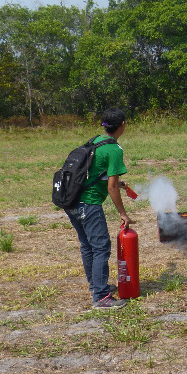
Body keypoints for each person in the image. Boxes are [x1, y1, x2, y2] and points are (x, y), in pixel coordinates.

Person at [67, 108, 134, 310]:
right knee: (101, 247)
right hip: (89, 204)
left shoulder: (96, 141)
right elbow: (111, 187)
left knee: (88, 246)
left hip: (71, 202)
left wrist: (118, 184)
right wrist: (123, 213)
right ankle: (102, 297)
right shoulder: (114, 150)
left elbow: (96, 172)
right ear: (122, 125)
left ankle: (95, 286)